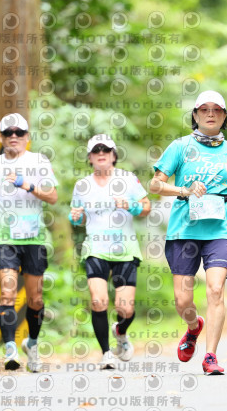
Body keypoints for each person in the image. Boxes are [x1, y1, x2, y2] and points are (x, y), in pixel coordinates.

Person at [149, 90, 227, 375]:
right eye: (204, 109)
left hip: (220, 229)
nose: (210, 114)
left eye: (217, 109)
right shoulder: (180, 147)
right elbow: (155, 185)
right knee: (183, 300)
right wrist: (185, 189)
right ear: (195, 115)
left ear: (224, 116)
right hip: (184, 230)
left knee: (216, 290)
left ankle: (211, 356)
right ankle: (194, 327)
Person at [0, 113, 59, 372]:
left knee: (35, 299)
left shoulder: (39, 161)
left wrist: (28, 185)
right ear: (1, 137)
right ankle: (10, 349)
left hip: (34, 238)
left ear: (27, 137)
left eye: (19, 132)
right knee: (7, 293)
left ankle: (31, 344)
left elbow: (53, 196)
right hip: (5, 238)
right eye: (8, 132)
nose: (13, 136)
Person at [69, 134, 151, 369]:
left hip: (125, 249)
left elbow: (146, 207)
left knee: (126, 308)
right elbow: (77, 216)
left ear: (114, 155)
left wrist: (131, 205)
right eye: (96, 151)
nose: (101, 154)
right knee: (98, 301)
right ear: (90, 158)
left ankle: (121, 332)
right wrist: (75, 217)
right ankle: (106, 353)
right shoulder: (82, 185)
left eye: (106, 150)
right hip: (96, 249)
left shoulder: (128, 179)